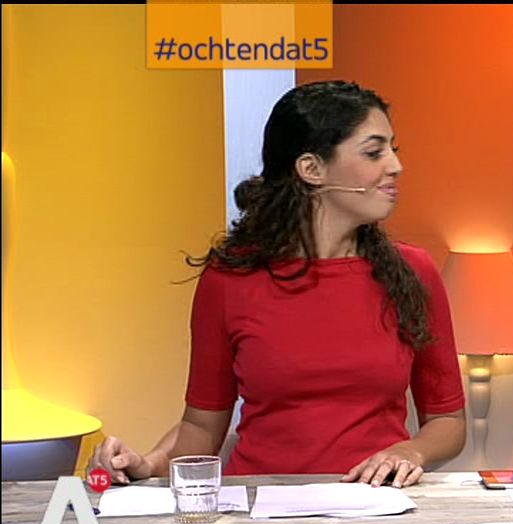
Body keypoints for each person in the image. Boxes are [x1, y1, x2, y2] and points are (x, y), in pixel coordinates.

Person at [90, 81, 466, 488]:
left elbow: (447, 420)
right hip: (257, 506)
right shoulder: (230, 279)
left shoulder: (413, 272)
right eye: (374, 152)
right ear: (311, 169)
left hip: (373, 503)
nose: (395, 166)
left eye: (393, 149)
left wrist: (410, 452)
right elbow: (201, 426)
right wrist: (146, 464)